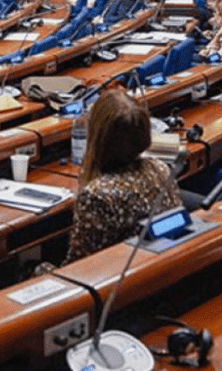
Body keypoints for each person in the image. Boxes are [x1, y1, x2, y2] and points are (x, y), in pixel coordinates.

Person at [62, 90, 181, 264]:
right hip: (159, 265)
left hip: (118, 275)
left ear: (97, 135)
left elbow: (78, 266)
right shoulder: (160, 168)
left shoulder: (97, 195)